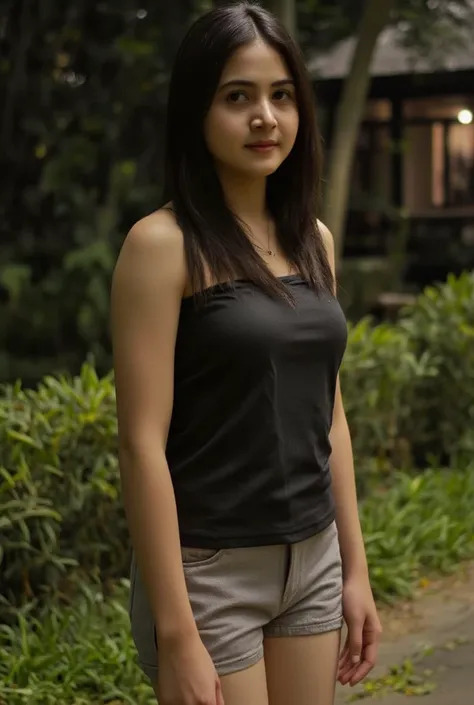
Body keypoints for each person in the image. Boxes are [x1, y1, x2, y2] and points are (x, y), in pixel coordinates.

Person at [110, 2, 381, 704]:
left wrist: (355, 568)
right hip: (209, 568)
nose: (266, 116)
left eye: (281, 96)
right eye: (239, 97)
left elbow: (332, 418)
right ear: (197, 111)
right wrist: (177, 634)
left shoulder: (313, 240)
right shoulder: (160, 246)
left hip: (312, 556)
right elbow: (142, 444)